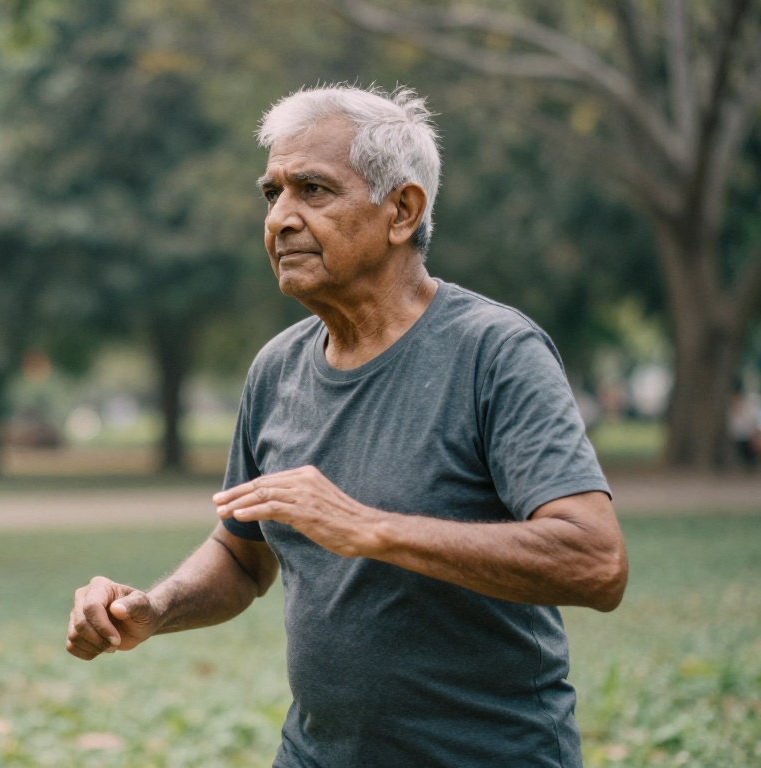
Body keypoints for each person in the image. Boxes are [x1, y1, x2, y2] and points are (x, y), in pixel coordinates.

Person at [66, 85, 628, 767]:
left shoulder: (495, 351)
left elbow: (595, 563)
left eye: (313, 190)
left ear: (401, 211)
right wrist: (153, 609)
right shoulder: (277, 370)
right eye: (271, 193)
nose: (280, 219)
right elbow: (242, 556)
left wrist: (372, 529)